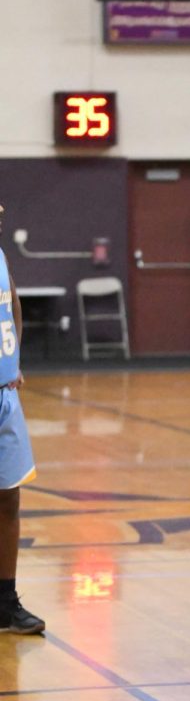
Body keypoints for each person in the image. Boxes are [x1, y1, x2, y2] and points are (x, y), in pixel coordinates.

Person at [0, 204, 45, 635]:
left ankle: (5, 601)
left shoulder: (1, 256)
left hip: (5, 396)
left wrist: (14, 360)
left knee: (8, 498)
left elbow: (12, 301)